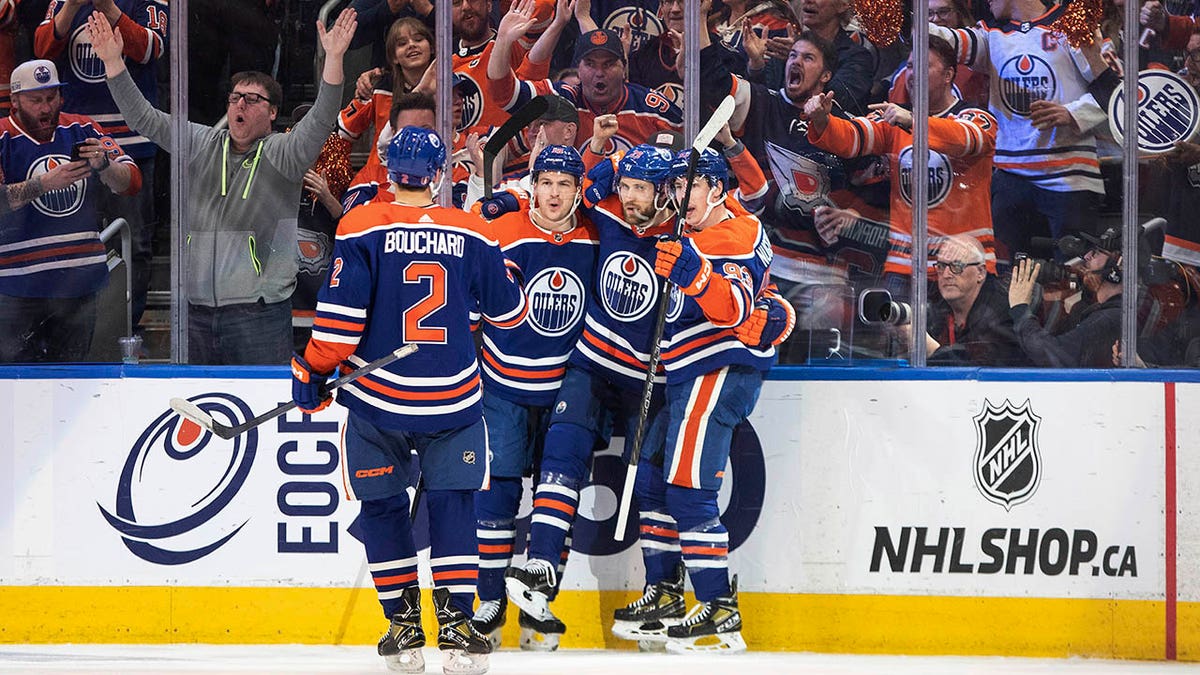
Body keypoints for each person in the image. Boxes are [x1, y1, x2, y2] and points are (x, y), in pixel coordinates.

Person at [291, 126, 527, 675]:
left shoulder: (361, 223)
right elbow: (509, 314)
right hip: (453, 402)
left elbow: (341, 325)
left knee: (383, 508)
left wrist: (312, 370)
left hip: (379, 403)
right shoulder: (474, 230)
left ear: (387, 172)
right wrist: (505, 275)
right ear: (441, 174)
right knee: (453, 507)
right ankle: (456, 625)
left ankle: (402, 625)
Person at [89, 8, 357, 364]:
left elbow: (323, 118)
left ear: (273, 112)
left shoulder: (284, 153)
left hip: (258, 315)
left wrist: (334, 59)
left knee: (260, 410)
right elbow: (144, 119)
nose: (239, 104)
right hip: (194, 311)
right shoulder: (202, 143)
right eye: (234, 98)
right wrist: (113, 64)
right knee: (198, 413)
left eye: (252, 99)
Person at [504, 144, 678, 642]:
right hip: (593, 361)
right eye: (627, 187)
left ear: (664, 191)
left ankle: (663, 590)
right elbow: (585, 176)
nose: (629, 198)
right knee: (562, 450)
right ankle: (540, 568)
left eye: (641, 189)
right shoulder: (603, 209)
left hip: (652, 376)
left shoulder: (684, 231)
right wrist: (612, 157)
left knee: (650, 483)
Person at [470, 144, 598, 651]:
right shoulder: (505, 229)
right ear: (533, 185)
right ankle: (489, 603)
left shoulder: (593, 234)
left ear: (577, 190)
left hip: (567, 383)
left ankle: (539, 603)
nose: (553, 193)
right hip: (501, 383)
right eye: (545, 182)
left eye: (564, 184)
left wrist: (606, 151)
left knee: (557, 493)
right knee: (497, 495)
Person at [805, 36, 999, 299]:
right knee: (896, 337)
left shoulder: (976, 117)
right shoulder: (895, 117)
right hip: (906, 264)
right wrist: (822, 121)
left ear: (948, 75)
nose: (913, 74)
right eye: (909, 66)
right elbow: (853, 137)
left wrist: (913, 120)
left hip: (963, 263)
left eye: (923, 66)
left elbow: (967, 139)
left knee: (961, 340)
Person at [929, 0, 1109, 262]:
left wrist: (1073, 113)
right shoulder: (991, 33)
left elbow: (1114, 91)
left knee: (1073, 275)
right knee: (1004, 271)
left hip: (1070, 177)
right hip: (1011, 176)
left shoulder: (1071, 23)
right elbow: (945, 40)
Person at [35, 0, 168, 332]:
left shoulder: (146, 1)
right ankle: (75, 328)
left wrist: (108, 8)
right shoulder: (62, 2)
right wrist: (72, 8)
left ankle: (126, 328)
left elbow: (151, 49)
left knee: (135, 242)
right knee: (73, 240)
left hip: (132, 140)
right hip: (77, 140)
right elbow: (41, 53)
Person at [0, 58, 140, 363]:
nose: (46, 108)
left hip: (78, 285)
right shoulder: (2, 137)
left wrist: (105, 165)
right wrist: (42, 184)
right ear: (14, 100)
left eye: (52, 97)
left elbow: (131, 181)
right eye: (35, 100)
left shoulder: (83, 128)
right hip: (15, 290)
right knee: (15, 390)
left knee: (72, 383)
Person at [488, 9, 684, 154]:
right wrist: (503, 41)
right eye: (590, 64)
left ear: (623, 68)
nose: (599, 72)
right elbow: (504, 95)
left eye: (608, 64)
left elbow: (690, 150)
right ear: (578, 70)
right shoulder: (561, 99)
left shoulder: (653, 108)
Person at [1007, 241, 1122, 368]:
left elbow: (1053, 355)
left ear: (1117, 266)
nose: (1087, 256)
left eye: (1097, 253)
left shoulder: (1109, 318)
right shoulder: (1089, 308)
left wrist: (1020, 310)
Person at [917, 234, 1025, 366]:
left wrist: (931, 349)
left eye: (957, 266)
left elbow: (979, 367)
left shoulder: (998, 311)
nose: (946, 275)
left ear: (981, 273)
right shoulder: (938, 307)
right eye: (941, 266)